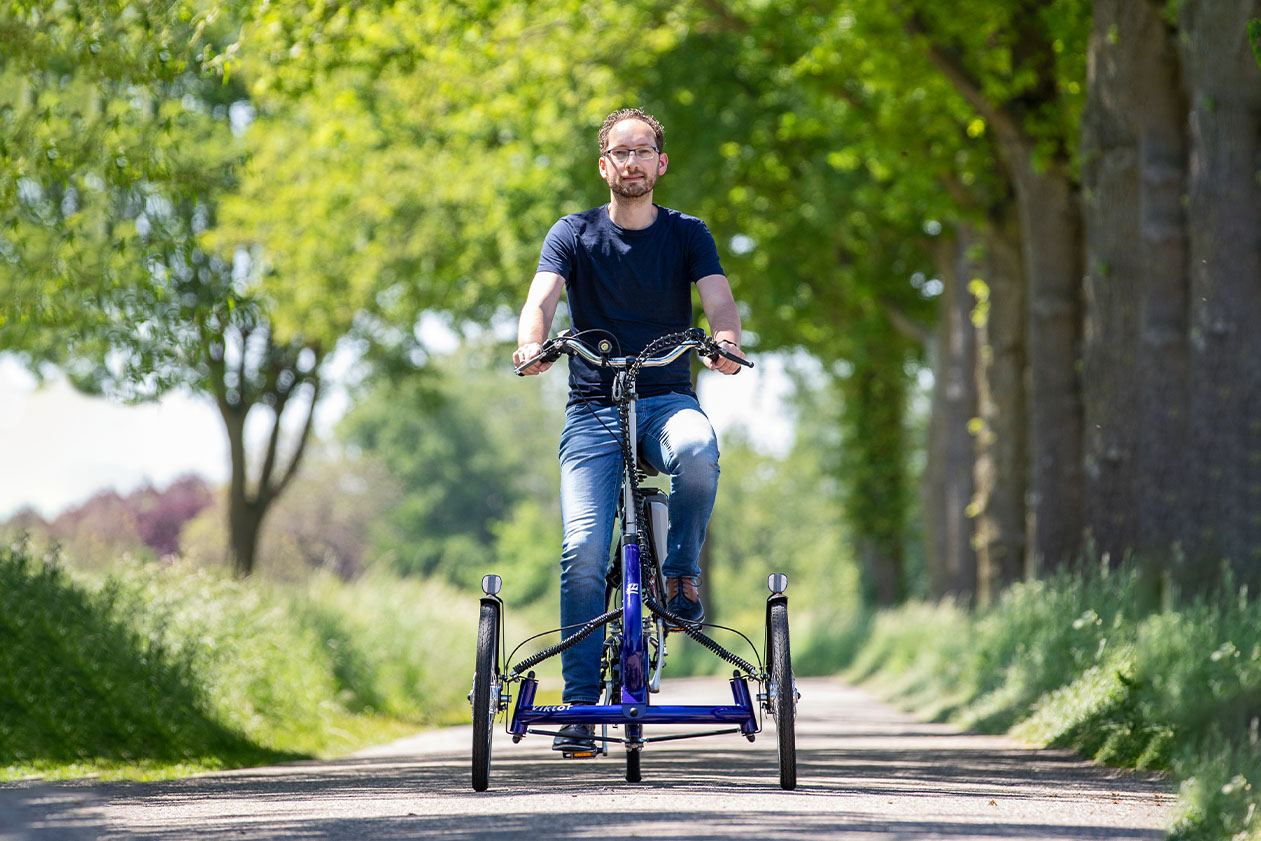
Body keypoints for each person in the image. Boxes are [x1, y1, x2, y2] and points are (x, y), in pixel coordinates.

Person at [513, 107, 746, 753]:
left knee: (697, 453)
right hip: (592, 407)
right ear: (603, 165)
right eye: (621, 152)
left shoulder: (687, 233)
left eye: (643, 151)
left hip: (667, 397)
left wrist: (723, 341)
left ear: (660, 163)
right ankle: (581, 710)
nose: (633, 162)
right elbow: (541, 299)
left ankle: (678, 573)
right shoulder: (573, 233)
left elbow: (718, 300)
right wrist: (530, 344)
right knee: (584, 548)